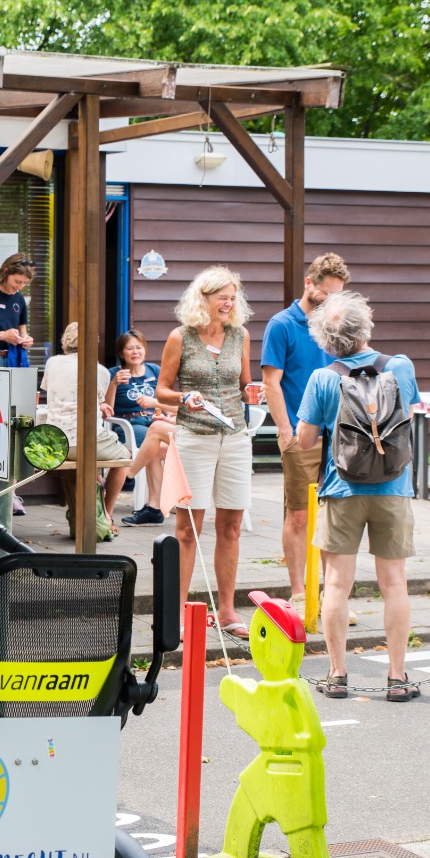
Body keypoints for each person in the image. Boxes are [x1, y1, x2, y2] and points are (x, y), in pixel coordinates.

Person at [296, 291, 421, 700]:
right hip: (393, 488)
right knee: (394, 583)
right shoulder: (400, 367)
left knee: (336, 584)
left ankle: (336, 674)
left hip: (341, 489)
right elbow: (408, 415)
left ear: (325, 338)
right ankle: (398, 677)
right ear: (365, 325)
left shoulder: (323, 378)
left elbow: (304, 441)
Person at [155, 267, 254, 636]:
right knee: (187, 529)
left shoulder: (240, 336)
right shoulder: (180, 337)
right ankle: (178, 613)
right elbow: (162, 388)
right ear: (204, 299)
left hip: (235, 438)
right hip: (194, 437)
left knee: (231, 528)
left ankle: (227, 612)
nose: (229, 303)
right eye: (222, 297)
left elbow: (245, 385)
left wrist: (253, 392)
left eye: (233, 297)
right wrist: (184, 397)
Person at [261, 252, 348, 611]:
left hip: (339, 434)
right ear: (309, 283)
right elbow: (271, 382)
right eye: (326, 293)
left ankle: (331, 593)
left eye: (337, 294)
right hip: (301, 433)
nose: (331, 301)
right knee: (298, 513)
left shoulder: (336, 324)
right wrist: (285, 432)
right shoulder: (281, 325)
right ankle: (299, 591)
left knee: (335, 515)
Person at [43, 322, 132, 536]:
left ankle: (87, 517)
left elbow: (57, 393)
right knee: (124, 457)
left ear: (66, 341)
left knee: (90, 466)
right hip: (84, 441)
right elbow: (98, 404)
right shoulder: (99, 370)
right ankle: (107, 514)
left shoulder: (52, 362)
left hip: (55, 442)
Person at [107, 330, 169, 526]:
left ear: (145, 350)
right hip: (128, 424)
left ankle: (130, 477)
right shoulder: (112, 373)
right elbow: (107, 408)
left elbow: (164, 399)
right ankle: (153, 502)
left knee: (162, 443)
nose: (135, 352)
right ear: (122, 352)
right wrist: (114, 384)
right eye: (130, 348)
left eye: (139, 347)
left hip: (155, 419)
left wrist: (161, 409)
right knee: (155, 441)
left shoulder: (154, 370)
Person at [0, 253, 35, 366]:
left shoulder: (19, 299)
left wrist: (26, 340)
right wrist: (2, 335)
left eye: (24, 283)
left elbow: (23, 331)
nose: (20, 287)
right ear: (6, 272)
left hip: (14, 359)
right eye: (17, 281)